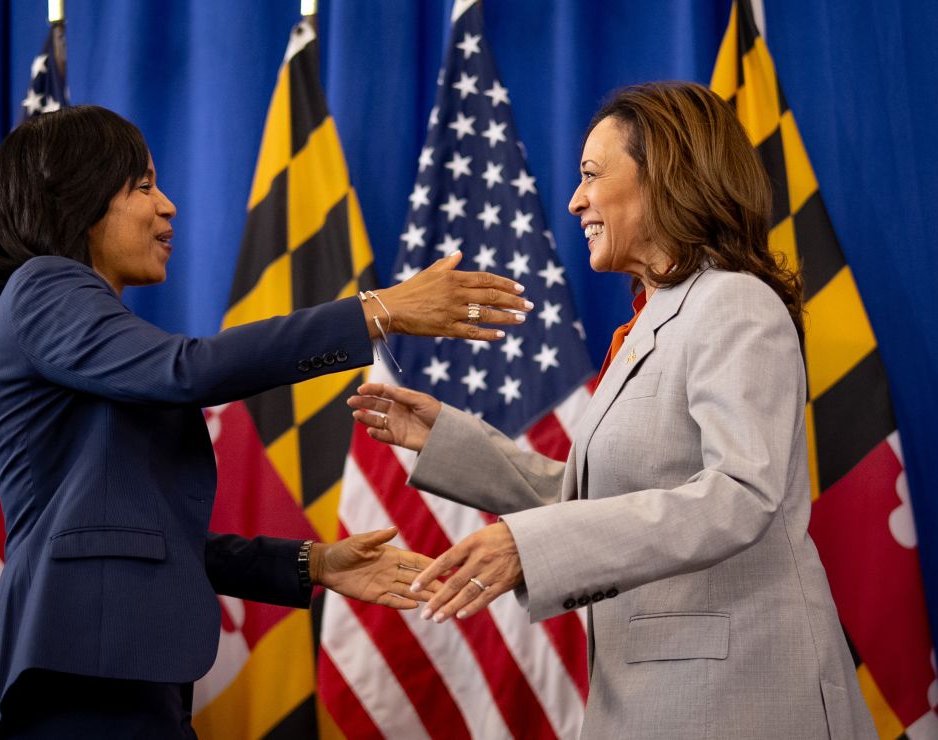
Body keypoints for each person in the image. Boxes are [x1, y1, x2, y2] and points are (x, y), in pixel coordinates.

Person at [0, 104, 532, 739]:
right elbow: (190, 371)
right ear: (76, 197)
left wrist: (314, 564)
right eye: (144, 185)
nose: (168, 206)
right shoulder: (45, 286)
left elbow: (135, 536)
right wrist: (376, 311)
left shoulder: (80, 324)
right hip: (81, 665)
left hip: (112, 663)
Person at [349, 82, 877, 739]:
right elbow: (595, 496)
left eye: (592, 175)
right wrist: (448, 443)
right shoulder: (653, 322)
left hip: (739, 696)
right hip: (657, 698)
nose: (574, 201)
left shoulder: (735, 304)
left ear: (666, 177)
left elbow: (740, 493)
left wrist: (530, 547)